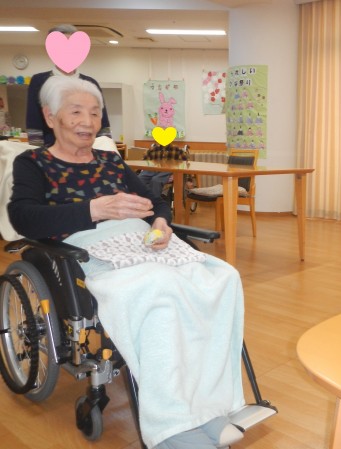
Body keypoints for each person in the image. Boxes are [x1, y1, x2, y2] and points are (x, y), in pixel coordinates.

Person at [9, 76, 244, 449]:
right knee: (163, 288)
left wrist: (161, 222)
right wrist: (94, 209)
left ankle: (209, 408)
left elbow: (155, 201)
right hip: (88, 252)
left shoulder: (109, 160)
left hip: (141, 242)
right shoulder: (34, 163)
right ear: (50, 117)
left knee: (221, 278)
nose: (88, 121)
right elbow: (23, 217)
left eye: (95, 112)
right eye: (76, 111)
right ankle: (172, 426)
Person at [26, 24, 111, 147]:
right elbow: (34, 121)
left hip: (87, 147)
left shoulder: (90, 83)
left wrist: (105, 148)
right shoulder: (39, 81)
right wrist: (38, 153)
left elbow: (103, 122)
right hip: (52, 147)